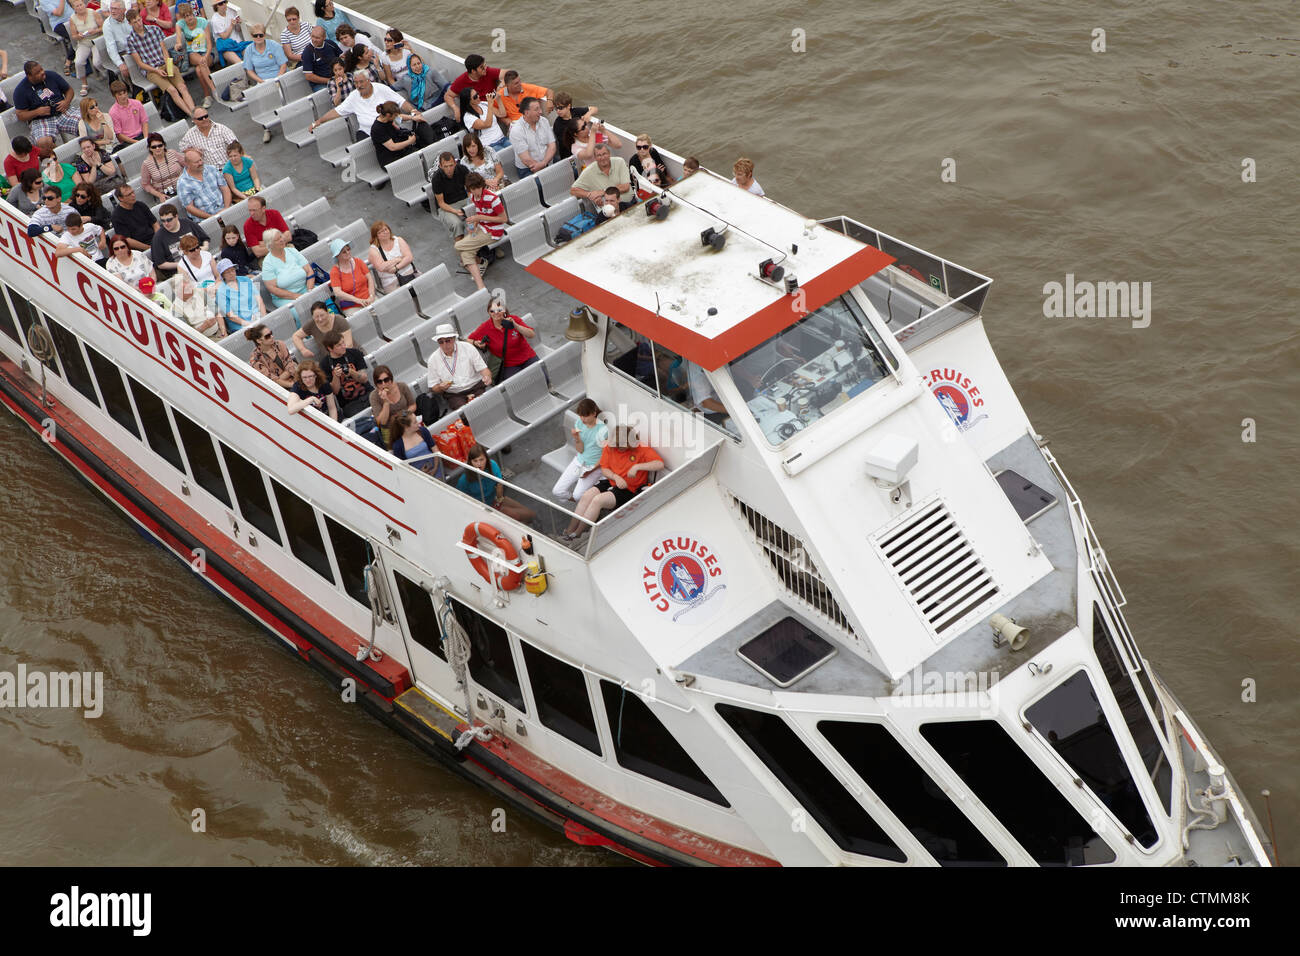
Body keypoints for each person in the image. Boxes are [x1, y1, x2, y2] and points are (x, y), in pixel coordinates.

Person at [562, 426, 664, 539]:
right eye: (617, 445)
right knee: (586, 496)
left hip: (629, 489)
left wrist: (637, 466)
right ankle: (569, 531)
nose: (618, 448)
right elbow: (605, 469)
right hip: (612, 481)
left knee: (597, 500)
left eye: (622, 445)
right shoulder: (610, 447)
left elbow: (659, 464)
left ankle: (576, 535)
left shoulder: (641, 448)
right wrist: (615, 477)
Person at [311, 71, 432, 146]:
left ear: (369, 81)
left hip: (388, 127)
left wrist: (413, 111)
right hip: (367, 132)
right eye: (356, 83)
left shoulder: (381, 88)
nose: (359, 86)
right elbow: (337, 111)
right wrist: (318, 121)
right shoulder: (353, 96)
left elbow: (401, 102)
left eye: (361, 82)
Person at [126, 8, 198, 118]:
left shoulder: (154, 29)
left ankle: (195, 113)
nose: (139, 23)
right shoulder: (131, 40)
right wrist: (157, 70)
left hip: (164, 63)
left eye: (139, 20)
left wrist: (168, 65)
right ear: (130, 23)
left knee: (182, 87)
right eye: (135, 22)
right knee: (173, 91)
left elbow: (164, 50)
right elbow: (140, 64)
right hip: (151, 70)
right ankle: (191, 115)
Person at [453, 172, 506, 291]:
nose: (476, 191)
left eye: (478, 187)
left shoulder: (493, 198)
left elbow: (503, 219)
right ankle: (481, 287)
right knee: (466, 253)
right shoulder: (473, 197)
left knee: (458, 246)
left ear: (482, 185)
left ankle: (482, 262)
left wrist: (479, 218)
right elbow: (479, 212)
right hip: (482, 228)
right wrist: (474, 224)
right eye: (473, 189)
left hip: (494, 231)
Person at [458, 444, 535, 525]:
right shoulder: (464, 480)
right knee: (515, 516)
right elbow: (461, 499)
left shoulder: (492, 465)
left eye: (481, 460)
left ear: (486, 459)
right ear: (470, 462)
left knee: (530, 514)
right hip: (482, 509)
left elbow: (499, 484)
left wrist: (499, 501)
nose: (479, 464)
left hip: (496, 499)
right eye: (475, 461)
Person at [551, 398, 609, 503]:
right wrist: (577, 439)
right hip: (579, 461)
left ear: (593, 413)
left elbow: (606, 456)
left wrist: (590, 471)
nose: (582, 419)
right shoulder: (579, 423)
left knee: (578, 496)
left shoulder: (603, 430)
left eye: (585, 416)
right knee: (557, 491)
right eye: (580, 415)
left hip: (594, 467)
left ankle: (584, 501)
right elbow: (580, 450)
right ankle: (584, 501)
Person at [469, 299, 538, 382]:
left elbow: (531, 334)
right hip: (509, 365)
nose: (496, 313)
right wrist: (475, 342)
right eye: (492, 311)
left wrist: (515, 325)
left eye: (499, 310)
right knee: (518, 385)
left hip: (527, 357)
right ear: (489, 313)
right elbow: (467, 339)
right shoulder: (485, 327)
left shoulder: (513, 319)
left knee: (541, 378)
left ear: (504, 310)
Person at [426, 323, 491, 409]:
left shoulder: (468, 347)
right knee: (464, 413)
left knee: (486, 404)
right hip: (455, 394)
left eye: (448, 341)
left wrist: (487, 377)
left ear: (454, 339)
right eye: (441, 342)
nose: (445, 345)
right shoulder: (433, 359)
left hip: (476, 386)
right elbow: (433, 387)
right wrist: (440, 387)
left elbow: (484, 369)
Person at [14, 60, 81, 142]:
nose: (42, 72)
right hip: (41, 120)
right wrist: (37, 112)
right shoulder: (21, 90)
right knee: (43, 143)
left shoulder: (51, 75)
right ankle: (56, 154)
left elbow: (69, 90)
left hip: (63, 111)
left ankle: (92, 151)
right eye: (37, 73)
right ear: (29, 76)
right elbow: (20, 115)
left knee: (87, 123)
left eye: (41, 69)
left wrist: (66, 102)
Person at [172, 3, 216, 107]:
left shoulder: (202, 21)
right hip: (193, 53)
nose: (189, 18)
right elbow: (178, 38)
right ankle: (214, 89)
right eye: (186, 16)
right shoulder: (180, 24)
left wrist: (206, 55)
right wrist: (178, 44)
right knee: (200, 62)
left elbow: (209, 43)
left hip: (206, 52)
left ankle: (207, 95)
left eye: (190, 14)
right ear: (183, 18)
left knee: (199, 70)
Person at [320, 330, 371, 417]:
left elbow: (364, 378)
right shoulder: (324, 365)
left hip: (368, 393)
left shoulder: (355, 353)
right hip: (349, 404)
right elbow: (335, 392)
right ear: (330, 348)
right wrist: (336, 376)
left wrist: (351, 372)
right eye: (339, 345)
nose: (344, 346)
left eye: (343, 342)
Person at [259, 228, 314, 306]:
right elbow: (273, 289)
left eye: (281, 237)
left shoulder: (292, 251)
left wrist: (310, 291)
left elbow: (309, 271)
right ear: (270, 245)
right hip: (285, 298)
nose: (281, 240)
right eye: (277, 240)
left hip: (306, 288)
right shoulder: (267, 263)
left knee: (322, 300)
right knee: (301, 309)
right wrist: (297, 297)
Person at [150, 203, 207, 276]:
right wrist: (183, 264)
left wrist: (205, 247)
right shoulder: (158, 237)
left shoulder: (187, 223)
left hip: (199, 261)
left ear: (176, 216)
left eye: (169, 220)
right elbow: (161, 264)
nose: (166, 223)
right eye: (163, 221)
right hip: (178, 272)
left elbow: (205, 239)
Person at [444, 54, 503, 121]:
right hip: (482, 108)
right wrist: (455, 108)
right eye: (482, 67)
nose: (485, 68)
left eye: (485, 65)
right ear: (473, 71)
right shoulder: (461, 81)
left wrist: (500, 86)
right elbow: (448, 95)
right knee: (505, 118)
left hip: (497, 101)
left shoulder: (488, 71)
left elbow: (507, 74)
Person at [176, 146, 231, 219]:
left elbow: (225, 188)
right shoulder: (183, 183)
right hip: (206, 219)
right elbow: (189, 207)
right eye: (196, 162)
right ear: (188, 164)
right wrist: (213, 218)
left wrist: (226, 208)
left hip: (225, 211)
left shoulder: (211, 169)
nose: (200, 163)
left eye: (200, 160)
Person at [507, 96, 555, 179]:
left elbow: (552, 146)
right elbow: (526, 159)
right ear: (526, 113)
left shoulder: (544, 121)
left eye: (540, 108)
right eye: (536, 109)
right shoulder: (516, 131)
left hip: (547, 161)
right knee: (542, 185)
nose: (541, 112)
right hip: (528, 169)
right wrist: (542, 167)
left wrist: (544, 163)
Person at [368, 364, 415, 447]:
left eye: (386, 380)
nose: (383, 384)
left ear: (391, 379)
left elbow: (413, 405)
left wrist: (402, 415)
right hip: (390, 430)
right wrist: (386, 403)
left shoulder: (402, 386)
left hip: (407, 421)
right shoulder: (374, 396)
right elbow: (382, 421)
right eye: (379, 382)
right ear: (376, 383)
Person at [66, 0, 105, 99]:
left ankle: (105, 72)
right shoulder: (72, 19)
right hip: (83, 42)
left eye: (81, 5)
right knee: (78, 62)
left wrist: (95, 30)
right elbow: (73, 36)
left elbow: (103, 27)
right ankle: (84, 83)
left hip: (96, 40)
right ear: (74, 8)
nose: (80, 7)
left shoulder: (93, 12)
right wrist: (78, 36)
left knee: (97, 62)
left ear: (84, 4)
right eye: (77, 6)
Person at [213, 256, 262, 333]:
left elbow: (259, 300)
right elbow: (231, 316)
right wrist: (250, 324)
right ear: (223, 275)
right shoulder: (221, 292)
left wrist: (264, 316)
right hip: (241, 326)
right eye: (228, 272)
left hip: (257, 316)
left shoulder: (245, 280)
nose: (231, 273)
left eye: (232, 270)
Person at [428, 150, 469, 239]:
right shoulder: (436, 178)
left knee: (480, 216)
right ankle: (462, 249)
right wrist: (455, 211)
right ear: (440, 166)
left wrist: (471, 204)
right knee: (457, 224)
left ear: (455, 163)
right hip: (446, 206)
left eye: (451, 165)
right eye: (445, 166)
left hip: (465, 200)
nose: (449, 169)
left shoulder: (462, 169)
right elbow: (441, 203)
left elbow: (470, 190)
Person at [367, 220, 415, 293]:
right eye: (381, 232)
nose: (385, 232)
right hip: (391, 282)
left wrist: (396, 268)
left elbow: (409, 257)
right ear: (376, 236)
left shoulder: (398, 240)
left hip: (411, 274)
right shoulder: (373, 250)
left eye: (386, 229)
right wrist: (398, 259)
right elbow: (381, 267)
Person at [245, 322, 298, 387]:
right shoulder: (255, 359)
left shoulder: (280, 344)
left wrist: (277, 380)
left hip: (295, 379)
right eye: (267, 336)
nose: (272, 336)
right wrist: (293, 386)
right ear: (259, 340)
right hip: (279, 390)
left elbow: (290, 366)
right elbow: (270, 381)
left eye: (271, 333)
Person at [369, 101, 421, 167]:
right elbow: (392, 147)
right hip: (390, 160)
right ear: (388, 115)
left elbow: (399, 117)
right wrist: (409, 142)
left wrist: (412, 118)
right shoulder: (377, 129)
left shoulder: (387, 119)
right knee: (417, 158)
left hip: (401, 151)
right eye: (395, 115)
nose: (397, 117)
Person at [171, 273, 222, 339]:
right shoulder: (176, 309)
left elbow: (217, 312)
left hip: (219, 331)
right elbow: (186, 336)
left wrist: (223, 331)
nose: (191, 290)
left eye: (190, 285)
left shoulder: (199, 291)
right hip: (204, 341)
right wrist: (204, 327)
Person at [328, 238, 373, 312]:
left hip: (369, 299)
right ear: (337, 256)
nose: (348, 252)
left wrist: (371, 296)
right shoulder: (334, 271)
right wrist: (358, 300)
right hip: (352, 306)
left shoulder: (358, 261)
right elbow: (337, 293)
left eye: (348, 249)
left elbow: (370, 279)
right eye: (344, 252)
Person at [110, 183, 158, 250]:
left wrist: (158, 240)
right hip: (140, 247)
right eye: (129, 195)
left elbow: (155, 223)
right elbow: (127, 240)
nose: (133, 195)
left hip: (154, 239)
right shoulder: (117, 216)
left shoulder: (140, 205)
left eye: (133, 192)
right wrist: (149, 248)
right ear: (120, 198)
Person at [551, 92, 595, 161]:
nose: (558, 111)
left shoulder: (575, 111)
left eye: (560, 108)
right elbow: (568, 143)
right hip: (570, 156)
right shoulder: (558, 125)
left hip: (583, 146)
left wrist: (588, 114)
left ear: (568, 106)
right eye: (556, 108)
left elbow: (594, 108)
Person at [140, 133, 185, 201]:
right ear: (149, 148)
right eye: (154, 147)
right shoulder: (146, 164)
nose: (157, 148)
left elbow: (189, 165)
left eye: (160, 145)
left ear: (164, 145)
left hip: (184, 187)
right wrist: (159, 195)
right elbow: (145, 184)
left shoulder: (173, 153)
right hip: (165, 195)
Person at [102, 2, 137, 89]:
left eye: (116, 9)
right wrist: (120, 64)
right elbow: (111, 48)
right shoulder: (107, 25)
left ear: (124, 10)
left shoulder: (130, 18)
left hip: (136, 47)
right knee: (127, 69)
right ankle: (135, 90)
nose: (112, 11)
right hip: (123, 52)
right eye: (111, 8)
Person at [40, 0, 77, 77]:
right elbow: (58, 12)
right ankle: (69, 61)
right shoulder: (44, 1)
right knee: (75, 38)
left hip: (72, 17)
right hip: (59, 23)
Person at [208, 0, 250, 66]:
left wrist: (238, 23)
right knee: (241, 64)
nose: (224, 4)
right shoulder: (215, 19)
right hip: (226, 47)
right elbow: (224, 36)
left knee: (252, 57)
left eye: (225, 2)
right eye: (221, 3)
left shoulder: (231, 12)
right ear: (216, 6)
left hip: (238, 43)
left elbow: (238, 30)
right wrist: (231, 25)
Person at [108, 81, 149, 146]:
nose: (123, 96)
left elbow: (144, 122)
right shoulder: (113, 112)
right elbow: (119, 134)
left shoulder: (137, 103)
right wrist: (135, 142)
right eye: (120, 94)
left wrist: (146, 138)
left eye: (124, 93)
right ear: (114, 95)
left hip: (142, 134)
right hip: (128, 141)